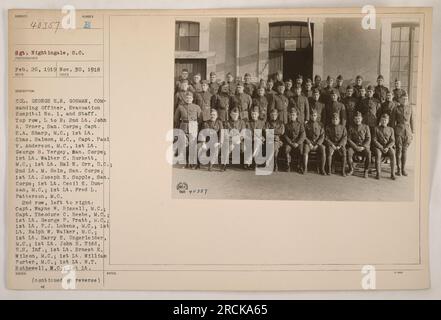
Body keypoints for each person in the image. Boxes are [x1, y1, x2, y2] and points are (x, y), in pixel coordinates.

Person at [174, 91, 202, 169]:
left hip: (193, 126)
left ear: (192, 99)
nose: (188, 99)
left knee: (193, 145)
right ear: (184, 99)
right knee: (184, 146)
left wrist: (195, 125)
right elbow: (176, 119)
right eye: (187, 98)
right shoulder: (180, 107)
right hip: (183, 126)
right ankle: (186, 163)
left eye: (190, 98)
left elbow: (200, 119)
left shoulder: (197, 107)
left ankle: (193, 163)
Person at [390, 92, 414, 176]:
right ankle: (398, 169)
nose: (404, 100)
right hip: (398, 131)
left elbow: (412, 121)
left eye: (406, 99)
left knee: (405, 151)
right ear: (400, 99)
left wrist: (412, 133)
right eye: (403, 99)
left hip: (407, 132)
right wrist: (392, 133)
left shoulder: (410, 108)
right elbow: (392, 122)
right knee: (399, 150)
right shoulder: (396, 108)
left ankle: (403, 169)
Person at [347, 111, 371, 178]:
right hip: (354, 146)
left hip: (363, 147)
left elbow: (368, 138)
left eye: (359, 118)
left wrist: (363, 147)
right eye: (356, 119)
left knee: (368, 153)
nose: (357, 120)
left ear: (362, 119)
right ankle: (351, 169)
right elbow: (348, 139)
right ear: (354, 119)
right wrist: (355, 147)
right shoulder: (351, 127)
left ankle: (366, 170)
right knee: (349, 152)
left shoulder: (366, 127)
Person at [373, 113, 396, 180]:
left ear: (388, 121)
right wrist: (381, 148)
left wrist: (387, 147)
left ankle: (392, 174)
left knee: (393, 153)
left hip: (387, 147)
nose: (384, 122)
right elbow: (374, 140)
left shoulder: (391, 129)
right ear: (380, 120)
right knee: (378, 154)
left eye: (385, 120)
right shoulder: (376, 128)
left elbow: (392, 141)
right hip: (379, 147)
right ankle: (378, 173)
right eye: (382, 120)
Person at [303, 109, 326, 175]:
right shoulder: (306, 125)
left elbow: (322, 136)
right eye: (312, 115)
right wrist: (309, 143)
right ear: (310, 116)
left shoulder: (320, 124)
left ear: (317, 116)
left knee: (323, 149)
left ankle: (322, 169)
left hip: (317, 143)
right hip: (309, 142)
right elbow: (304, 135)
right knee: (305, 149)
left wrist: (318, 144)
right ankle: (305, 168)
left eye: (315, 115)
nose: (313, 117)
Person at [283, 108, 306, 173]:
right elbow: (285, 135)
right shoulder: (287, 125)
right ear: (289, 116)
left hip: (297, 142)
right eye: (291, 115)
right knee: (286, 149)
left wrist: (298, 143)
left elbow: (303, 135)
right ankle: (288, 165)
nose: (292, 116)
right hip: (290, 142)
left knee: (301, 150)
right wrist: (290, 143)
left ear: (296, 116)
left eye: (293, 115)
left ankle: (299, 166)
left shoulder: (300, 124)